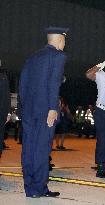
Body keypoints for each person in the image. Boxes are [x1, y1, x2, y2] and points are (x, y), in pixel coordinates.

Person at [19, 26, 68, 198]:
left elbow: (23, 84)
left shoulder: (33, 57)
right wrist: (52, 108)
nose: (65, 43)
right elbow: (54, 83)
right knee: (41, 149)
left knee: (28, 149)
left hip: (29, 111)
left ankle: (30, 187)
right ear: (60, 39)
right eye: (64, 39)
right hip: (45, 111)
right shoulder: (58, 56)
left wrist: (23, 108)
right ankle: (39, 188)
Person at [0, 62, 11, 158]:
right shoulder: (3, 78)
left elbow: (7, 96)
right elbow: (7, 96)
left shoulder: (3, 78)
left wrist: (8, 112)